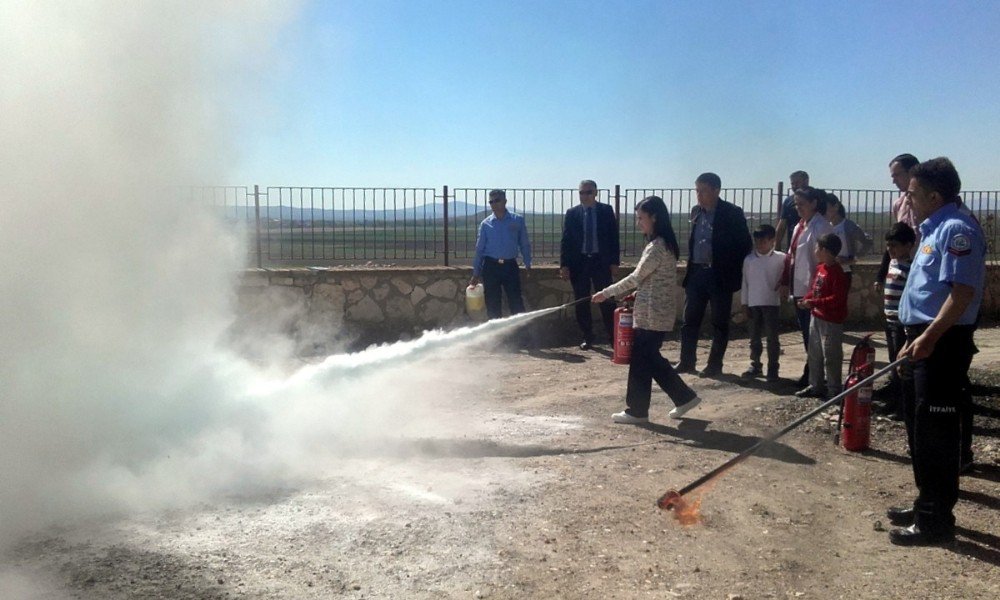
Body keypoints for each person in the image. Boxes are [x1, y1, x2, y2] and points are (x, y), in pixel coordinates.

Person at [887, 157, 985, 546]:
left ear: (933, 195)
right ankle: (925, 502)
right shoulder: (932, 229)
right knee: (919, 428)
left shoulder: (957, 231)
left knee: (937, 434)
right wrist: (912, 338)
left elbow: (962, 295)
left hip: (941, 343)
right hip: (921, 338)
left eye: (911, 193)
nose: (906, 199)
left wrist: (927, 338)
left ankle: (936, 521)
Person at [592, 196, 701, 424]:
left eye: (641, 218)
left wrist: (606, 292)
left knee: (645, 359)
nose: (638, 223)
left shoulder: (658, 246)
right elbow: (649, 280)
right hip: (652, 311)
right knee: (648, 359)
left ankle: (639, 410)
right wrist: (636, 293)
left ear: (654, 217)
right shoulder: (661, 244)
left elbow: (636, 277)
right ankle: (681, 398)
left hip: (652, 314)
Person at [677, 173, 753, 377]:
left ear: (716, 190)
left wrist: (729, 266)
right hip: (696, 273)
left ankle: (714, 364)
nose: (699, 195)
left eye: (703, 191)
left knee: (719, 322)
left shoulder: (731, 213)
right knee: (689, 320)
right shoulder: (696, 212)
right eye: (697, 191)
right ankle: (686, 361)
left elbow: (744, 244)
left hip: (719, 275)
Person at [781, 187, 834, 385]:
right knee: (806, 333)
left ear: (813, 203)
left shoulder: (821, 227)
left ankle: (815, 375)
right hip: (799, 287)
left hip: (813, 288)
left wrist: (814, 290)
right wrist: (785, 281)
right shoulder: (800, 226)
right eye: (796, 204)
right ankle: (812, 372)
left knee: (813, 333)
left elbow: (823, 262)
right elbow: (791, 256)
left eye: (802, 204)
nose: (798, 208)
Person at [559, 180, 621, 350]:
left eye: (588, 192)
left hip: (600, 261)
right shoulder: (572, 213)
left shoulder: (606, 210)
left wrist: (615, 262)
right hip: (580, 263)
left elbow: (614, 237)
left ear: (595, 193)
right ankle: (588, 336)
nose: (584, 195)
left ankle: (613, 337)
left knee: (607, 298)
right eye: (581, 192)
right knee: (581, 301)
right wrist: (564, 265)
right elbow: (566, 240)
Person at [794, 234, 849, 399]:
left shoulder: (838, 273)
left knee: (831, 356)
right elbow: (814, 288)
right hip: (816, 316)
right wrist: (807, 299)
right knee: (814, 353)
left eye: (818, 248)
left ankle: (834, 390)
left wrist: (815, 302)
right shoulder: (820, 268)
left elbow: (837, 299)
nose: (816, 251)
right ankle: (815, 385)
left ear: (825, 250)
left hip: (831, 320)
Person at [469, 189, 532, 319]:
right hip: (491, 267)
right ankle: (497, 337)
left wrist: (527, 263)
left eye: (496, 200)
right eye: (491, 201)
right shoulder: (486, 224)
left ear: (505, 201)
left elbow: (524, 243)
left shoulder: (517, 220)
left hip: (510, 266)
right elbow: (479, 249)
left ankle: (522, 336)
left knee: (516, 303)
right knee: (492, 304)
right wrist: (476, 273)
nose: (493, 204)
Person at [876, 222, 916, 420]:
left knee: (901, 365)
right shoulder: (892, 263)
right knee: (893, 362)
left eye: (894, 245)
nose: (890, 249)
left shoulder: (911, 269)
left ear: (908, 245)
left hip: (901, 323)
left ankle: (903, 406)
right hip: (890, 319)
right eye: (888, 245)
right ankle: (894, 400)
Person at [739, 224, 786, 382]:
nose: (759, 244)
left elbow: (785, 280)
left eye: (763, 241)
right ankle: (756, 363)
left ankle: (773, 366)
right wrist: (744, 304)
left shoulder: (781, 259)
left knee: (772, 338)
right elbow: (745, 283)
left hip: (772, 303)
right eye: (757, 241)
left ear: (772, 240)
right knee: (754, 336)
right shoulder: (749, 260)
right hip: (753, 303)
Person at [874, 154, 921, 293]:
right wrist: (881, 275)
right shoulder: (898, 205)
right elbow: (894, 239)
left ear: (911, 172)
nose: (894, 181)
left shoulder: (928, 204)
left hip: (923, 271)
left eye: (897, 175)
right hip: (901, 273)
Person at [826, 193, 867, 290]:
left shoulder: (849, 226)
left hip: (844, 270)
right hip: (828, 270)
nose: (825, 212)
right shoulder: (826, 226)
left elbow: (867, 242)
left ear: (835, 207)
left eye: (827, 208)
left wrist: (853, 258)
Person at [775, 170, 809, 252]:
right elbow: (782, 224)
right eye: (792, 184)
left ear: (806, 181)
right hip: (793, 244)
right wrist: (777, 244)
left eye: (797, 183)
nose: (794, 186)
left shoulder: (816, 198)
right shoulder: (788, 201)